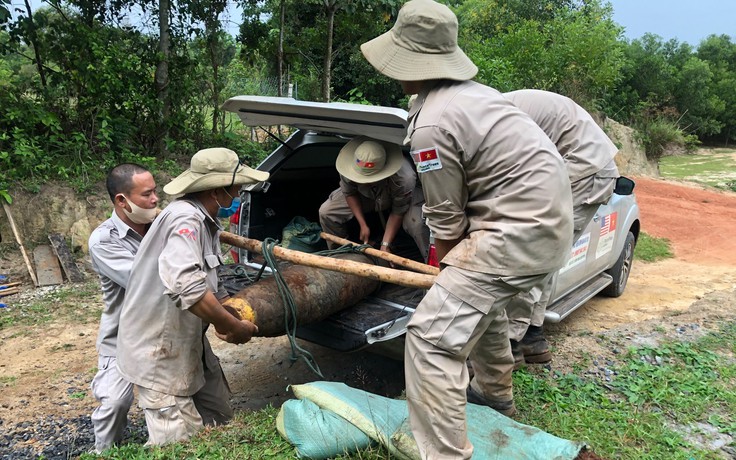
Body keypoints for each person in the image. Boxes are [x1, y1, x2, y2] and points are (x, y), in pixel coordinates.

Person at [360, 1, 574, 458]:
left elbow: (445, 214)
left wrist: (446, 262)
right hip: (544, 232)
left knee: (431, 340)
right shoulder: (475, 95)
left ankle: (443, 453)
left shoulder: (433, 123)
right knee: (487, 309)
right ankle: (495, 397)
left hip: (511, 235)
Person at [116, 147, 268, 445]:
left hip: (187, 342)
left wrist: (232, 309)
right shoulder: (186, 220)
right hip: (159, 349)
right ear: (217, 189)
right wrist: (231, 325)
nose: (238, 193)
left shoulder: (205, 219)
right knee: (181, 442)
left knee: (220, 421)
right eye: (236, 187)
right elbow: (186, 284)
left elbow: (209, 280)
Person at [503, 89, 620, 367]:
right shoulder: (496, 103)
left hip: (582, 171)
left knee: (530, 256)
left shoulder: (491, 115)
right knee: (547, 258)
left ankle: (509, 345)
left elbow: (506, 172)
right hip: (590, 168)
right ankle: (532, 338)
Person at [88, 163, 159, 452]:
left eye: (155, 192)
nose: (155, 199)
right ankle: (104, 452)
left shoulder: (160, 225)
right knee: (116, 402)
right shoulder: (104, 241)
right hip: (123, 336)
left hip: (161, 331)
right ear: (122, 200)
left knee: (181, 396)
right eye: (147, 194)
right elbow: (146, 280)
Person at [319, 136, 429, 260]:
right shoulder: (347, 167)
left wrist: (385, 245)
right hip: (366, 195)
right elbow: (350, 193)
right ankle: (340, 255)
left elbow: (398, 211)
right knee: (326, 212)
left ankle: (431, 263)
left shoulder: (404, 178)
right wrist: (363, 225)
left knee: (417, 224)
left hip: (398, 196)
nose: (365, 182)